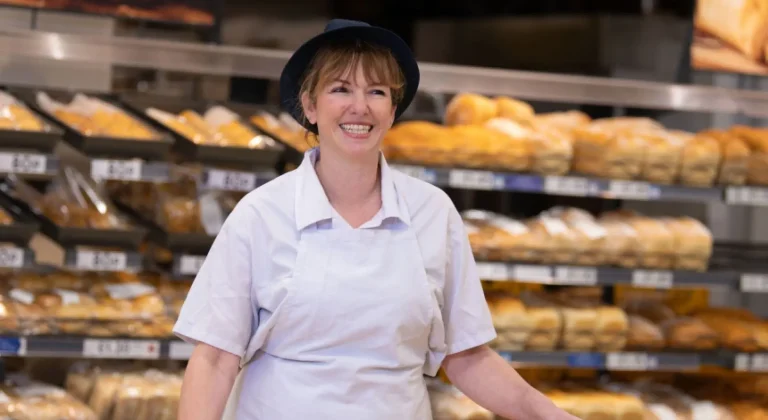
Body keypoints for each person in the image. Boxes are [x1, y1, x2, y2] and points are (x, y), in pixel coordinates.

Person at [174, 19, 578, 420]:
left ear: (392, 110)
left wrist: (549, 414)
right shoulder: (262, 214)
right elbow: (214, 358)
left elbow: (466, 356)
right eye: (340, 89)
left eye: (377, 91)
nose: (360, 106)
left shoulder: (431, 212)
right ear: (310, 106)